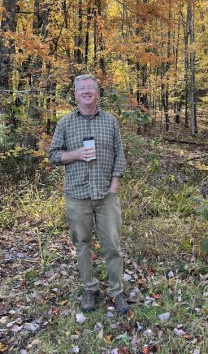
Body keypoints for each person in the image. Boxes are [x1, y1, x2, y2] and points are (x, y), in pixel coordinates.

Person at [48, 74, 129, 314]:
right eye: (81, 89)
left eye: (90, 88)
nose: (86, 92)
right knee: (82, 244)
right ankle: (90, 289)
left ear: (97, 93)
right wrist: (75, 154)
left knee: (112, 246)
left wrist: (113, 187)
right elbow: (53, 155)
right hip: (77, 195)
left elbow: (119, 156)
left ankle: (116, 292)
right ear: (75, 94)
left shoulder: (110, 121)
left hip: (106, 196)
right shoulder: (65, 123)